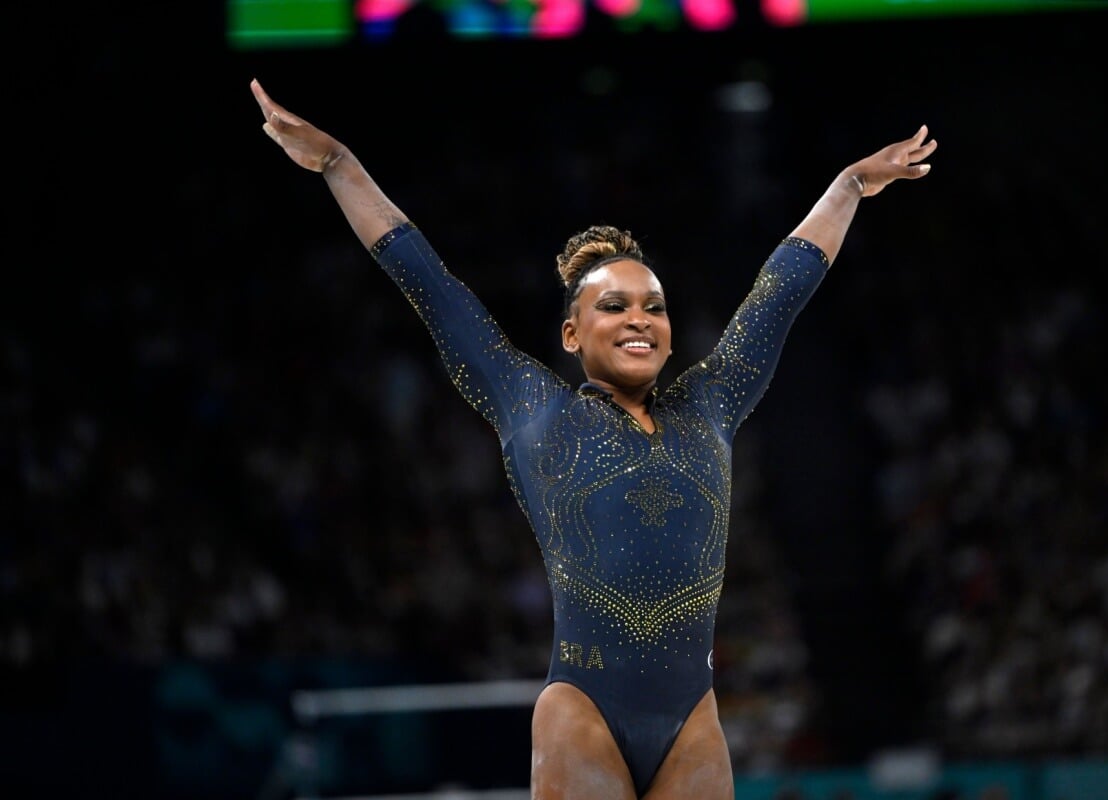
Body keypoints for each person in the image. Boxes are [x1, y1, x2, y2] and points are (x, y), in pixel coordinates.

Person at [250, 77, 936, 799]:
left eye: (655, 306)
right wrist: (338, 166)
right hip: (583, 710)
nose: (640, 318)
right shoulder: (533, 406)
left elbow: (781, 289)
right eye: (615, 305)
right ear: (572, 334)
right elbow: (429, 283)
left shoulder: (710, 404)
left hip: (692, 718)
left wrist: (851, 184)